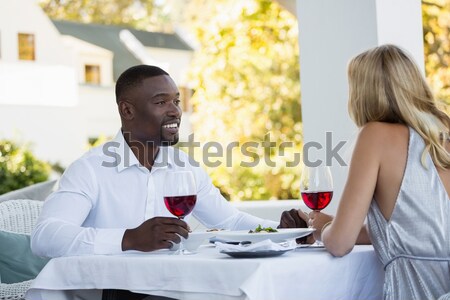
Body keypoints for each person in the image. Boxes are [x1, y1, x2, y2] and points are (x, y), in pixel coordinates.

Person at [31, 65, 306, 299]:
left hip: (168, 288)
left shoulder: (184, 167)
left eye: (176, 101)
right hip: (108, 291)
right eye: (161, 102)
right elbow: (46, 237)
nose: (175, 111)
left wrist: (280, 232)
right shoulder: (90, 169)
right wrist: (128, 239)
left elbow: (229, 222)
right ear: (127, 110)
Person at [305, 44, 450, 300]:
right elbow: (416, 230)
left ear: (364, 92)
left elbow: (339, 244)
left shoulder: (376, 135)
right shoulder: (443, 132)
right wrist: (330, 221)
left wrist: (321, 232)